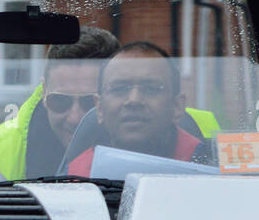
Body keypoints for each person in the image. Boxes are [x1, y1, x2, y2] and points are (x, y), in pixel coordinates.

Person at [0, 27, 120, 180]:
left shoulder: (141, 144)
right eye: (60, 101)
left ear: (115, 96)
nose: (74, 118)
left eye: (90, 103)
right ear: (44, 92)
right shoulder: (0, 148)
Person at [66, 42, 212, 177]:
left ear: (177, 106)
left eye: (151, 89)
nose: (134, 100)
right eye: (119, 89)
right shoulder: (75, 179)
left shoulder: (211, 169)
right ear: (99, 108)